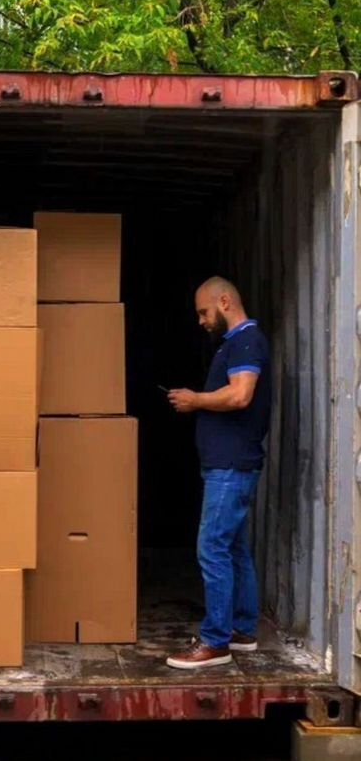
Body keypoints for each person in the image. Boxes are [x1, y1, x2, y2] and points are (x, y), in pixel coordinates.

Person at [164, 276, 271, 670]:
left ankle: (215, 642)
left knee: (211, 548)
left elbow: (241, 394)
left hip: (230, 466)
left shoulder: (246, 340)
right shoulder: (236, 342)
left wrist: (196, 400)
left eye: (204, 312)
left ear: (225, 301)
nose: (201, 321)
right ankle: (241, 630)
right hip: (229, 464)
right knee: (234, 548)